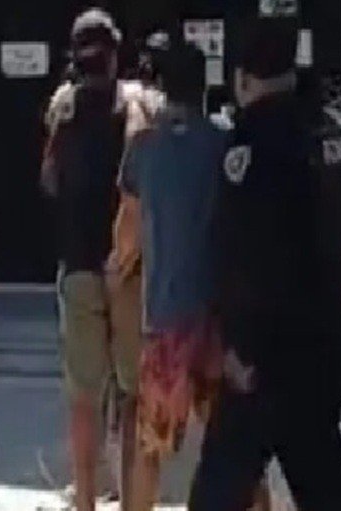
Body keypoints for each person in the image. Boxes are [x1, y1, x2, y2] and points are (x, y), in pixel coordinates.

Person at [188, 21, 341, 511]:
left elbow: (247, 254)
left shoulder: (250, 146)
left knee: (216, 495)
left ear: (243, 78)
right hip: (323, 346)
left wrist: (240, 346)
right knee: (326, 492)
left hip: (265, 359)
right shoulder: (324, 134)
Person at [115, 42, 227, 511]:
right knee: (234, 451)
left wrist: (118, 272)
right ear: (205, 85)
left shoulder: (143, 147)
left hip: (164, 316)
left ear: (161, 87)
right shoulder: (224, 142)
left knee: (151, 447)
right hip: (219, 317)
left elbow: (127, 231)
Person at [41, 9, 143, 511]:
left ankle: (84, 500)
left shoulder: (61, 108)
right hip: (125, 265)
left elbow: (48, 180)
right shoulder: (134, 104)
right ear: (115, 54)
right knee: (131, 395)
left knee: (84, 396)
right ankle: (131, 501)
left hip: (78, 262)